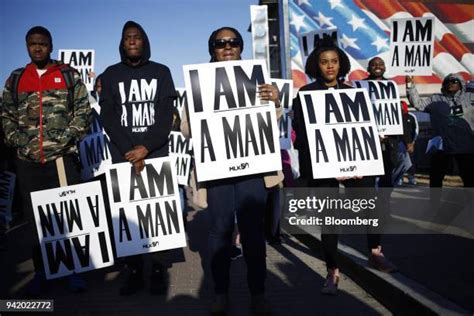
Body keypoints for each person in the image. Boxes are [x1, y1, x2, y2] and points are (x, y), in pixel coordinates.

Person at [180, 26, 283, 315]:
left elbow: (273, 122)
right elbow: (186, 130)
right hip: (217, 172)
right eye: (220, 43)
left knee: (252, 233)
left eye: (233, 42)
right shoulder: (197, 84)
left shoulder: (259, 82)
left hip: (253, 170)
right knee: (220, 231)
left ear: (241, 47)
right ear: (211, 48)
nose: (227, 47)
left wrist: (275, 100)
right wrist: (197, 112)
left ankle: (258, 293)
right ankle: (220, 293)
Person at [292, 42, 397, 296]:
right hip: (323, 167)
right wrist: (328, 165)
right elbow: (302, 138)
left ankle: (375, 251)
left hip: (357, 166)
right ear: (316, 65)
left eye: (334, 61)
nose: (330, 66)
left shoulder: (354, 93)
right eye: (324, 61)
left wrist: (371, 146)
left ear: (341, 64)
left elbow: (364, 129)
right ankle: (332, 270)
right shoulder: (305, 94)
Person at [1, 26, 91, 295]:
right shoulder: (16, 78)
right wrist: (20, 142)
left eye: (42, 43)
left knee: (68, 215)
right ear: (27, 46)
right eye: (32, 44)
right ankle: (42, 271)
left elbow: (83, 111)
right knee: (35, 220)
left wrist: (66, 139)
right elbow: (5, 115)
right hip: (28, 163)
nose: (37, 48)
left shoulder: (67, 74)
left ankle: (73, 269)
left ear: (51, 45)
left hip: (62, 160)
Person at [99, 21, 176, 296]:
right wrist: (131, 151)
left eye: (137, 37)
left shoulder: (162, 72)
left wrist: (146, 147)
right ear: (122, 43)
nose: (132, 41)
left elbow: (167, 114)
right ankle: (132, 271)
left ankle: (156, 269)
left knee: (155, 215)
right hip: (123, 156)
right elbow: (107, 117)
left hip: (156, 154)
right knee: (128, 217)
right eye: (127, 38)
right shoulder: (109, 75)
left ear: (145, 42)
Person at [406, 74, 474, 187]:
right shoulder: (435, 99)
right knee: (436, 179)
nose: (450, 83)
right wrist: (410, 86)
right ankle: (434, 203)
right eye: (447, 81)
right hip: (442, 146)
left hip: (465, 146)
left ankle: (469, 202)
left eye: (454, 81)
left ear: (461, 84)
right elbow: (418, 104)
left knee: (469, 178)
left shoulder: (470, 97)